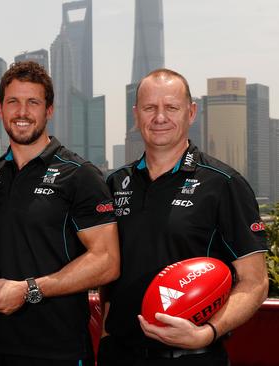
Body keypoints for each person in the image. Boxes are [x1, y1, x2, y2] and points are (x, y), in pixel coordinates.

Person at [98, 68, 269, 365]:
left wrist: (208, 333)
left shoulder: (224, 183)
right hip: (120, 355)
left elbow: (255, 282)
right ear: (136, 115)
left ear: (191, 113)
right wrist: (105, 341)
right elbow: (110, 277)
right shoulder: (116, 183)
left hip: (192, 357)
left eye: (171, 107)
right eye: (150, 108)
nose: (159, 117)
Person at [0, 61, 120, 365]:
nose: (22, 112)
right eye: (13, 102)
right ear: (0, 109)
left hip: (59, 350)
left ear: (49, 110)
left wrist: (29, 289)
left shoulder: (80, 174)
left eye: (32, 102)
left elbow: (107, 262)